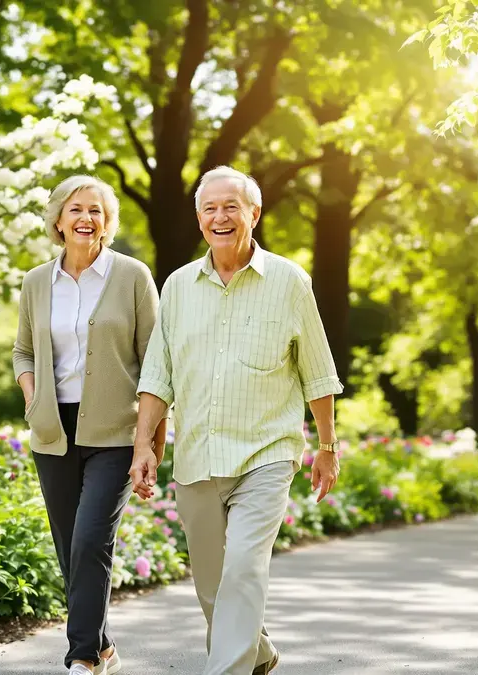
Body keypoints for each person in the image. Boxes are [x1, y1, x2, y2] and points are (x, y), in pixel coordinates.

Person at [129, 165, 344, 675]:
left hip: (266, 452)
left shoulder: (290, 282)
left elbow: (318, 371)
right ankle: (259, 652)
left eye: (231, 206)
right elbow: (158, 376)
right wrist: (144, 447)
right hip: (199, 454)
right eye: (210, 208)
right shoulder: (178, 286)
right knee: (211, 585)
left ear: (255, 213)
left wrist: (328, 447)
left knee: (244, 568)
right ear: (199, 218)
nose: (220, 217)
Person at [13, 175, 165, 675]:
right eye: (76, 209)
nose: (86, 218)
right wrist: (34, 398)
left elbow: (156, 362)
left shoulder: (132, 276)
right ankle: (101, 645)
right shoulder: (36, 281)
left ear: (107, 222)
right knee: (68, 547)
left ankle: (81, 657)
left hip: (116, 432)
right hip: (54, 430)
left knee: (89, 540)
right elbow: (22, 351)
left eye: (96, 210)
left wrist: (150, 440)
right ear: (58, 220)